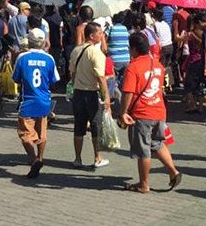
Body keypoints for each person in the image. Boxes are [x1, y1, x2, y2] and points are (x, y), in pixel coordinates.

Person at [120, 33, 181, 193]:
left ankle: (144, 184)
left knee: (143, 150)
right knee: (157, 144)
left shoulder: (133, 67)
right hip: (159, 111)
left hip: (142, 113)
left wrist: (123, 112)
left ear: (133, 49)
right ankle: (174, 171)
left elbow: (128, 92)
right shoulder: (158, 65)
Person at [12, 28, 59, 178]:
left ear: (29, 41)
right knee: (42, 134)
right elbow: (54, 80)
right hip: (44, 101)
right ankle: (40, 157)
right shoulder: (49, 58)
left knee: (25, 134)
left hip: (28, 101)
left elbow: (16, 78)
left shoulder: (22, 57)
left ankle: (33, 160)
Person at [68, 22, 112, 169]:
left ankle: (77, 158)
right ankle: (97, 157)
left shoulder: (76, 50)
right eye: (99, 33)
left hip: (78, 93)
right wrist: (106, 97)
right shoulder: (96, 53)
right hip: (91, 94)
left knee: (79, 127)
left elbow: (72, 73)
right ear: (92, 36)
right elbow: (101, 77)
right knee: (95, 127)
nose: (102, 35)